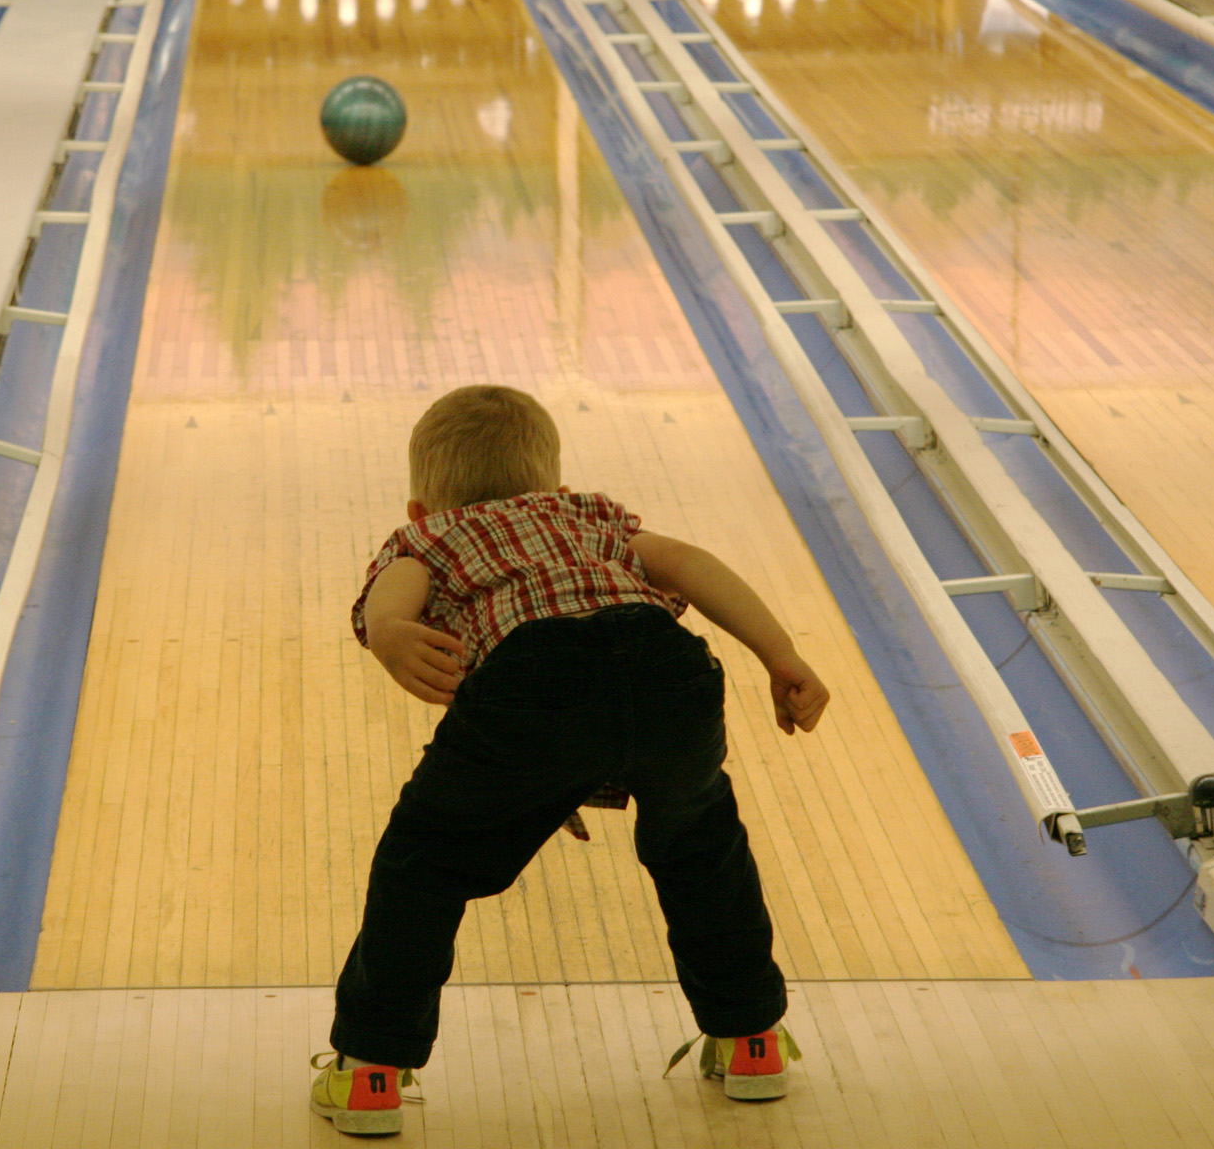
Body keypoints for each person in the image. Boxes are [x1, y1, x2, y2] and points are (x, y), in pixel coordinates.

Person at [310, 384, 830, 1136]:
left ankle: (370, 1072)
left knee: (423, 865)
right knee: (702, 848)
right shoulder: (586, 516)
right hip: (669, 670)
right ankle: (751, 1040)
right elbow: (685, 563)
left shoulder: (429, 537)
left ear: (423, 509)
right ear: (551, 484)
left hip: (531, 686)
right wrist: (781, 656)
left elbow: (397, 594)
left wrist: (390, 633)